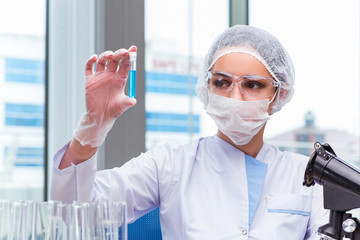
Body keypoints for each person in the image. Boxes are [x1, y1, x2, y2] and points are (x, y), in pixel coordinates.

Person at [51, 25, 328, 239]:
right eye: (222, 82)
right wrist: (92, 126)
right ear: (206, 88)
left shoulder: (305, 176)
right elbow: (76, 215)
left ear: (279, 93)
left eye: (253, 85)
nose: (234, 96)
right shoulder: (171, 164)